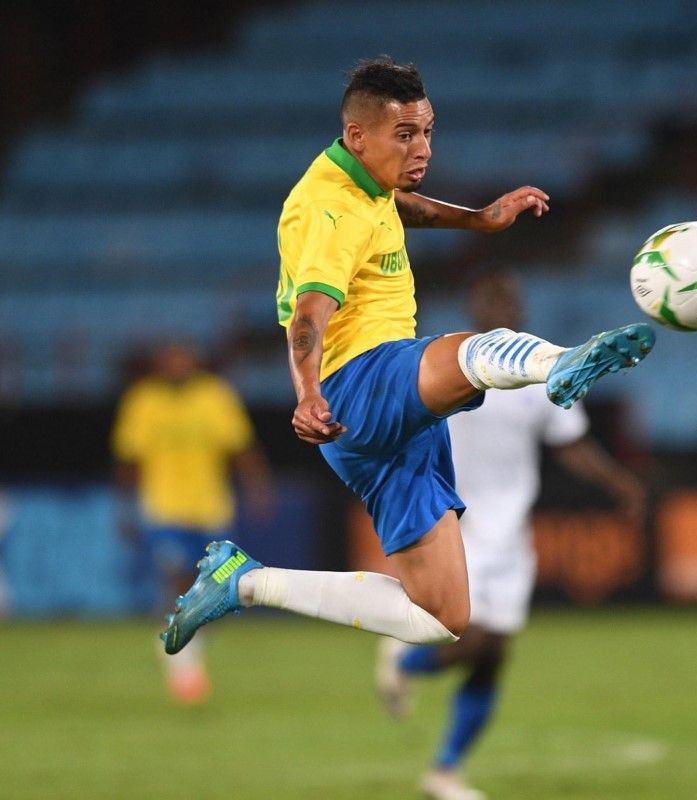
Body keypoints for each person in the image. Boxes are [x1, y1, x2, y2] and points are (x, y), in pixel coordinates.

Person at [160, 58, 654, 665]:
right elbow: (308, 315)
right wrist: (307, 392)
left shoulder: (366, 183)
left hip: (377, 424)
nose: (422, 149)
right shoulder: (329, 208)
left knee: (441, 615)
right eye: (406, 136)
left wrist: (478, 220)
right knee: (462, 353)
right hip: (358, 382)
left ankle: (244, 582)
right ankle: (557, 362)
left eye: (427, 132)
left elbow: (397, 206)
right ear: (357, 135)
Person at [373, 270, 647, 800]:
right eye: (489, 299)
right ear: (474, 308)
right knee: (473, 640)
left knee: (495, 655)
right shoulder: (445, 365)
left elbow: (570, 441)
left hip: (511, 530)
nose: (500, 308)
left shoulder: (542, 369)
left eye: (509, 301)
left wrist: (620, 484)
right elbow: (401, 424)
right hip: (459, 523)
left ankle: (444, 770)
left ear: (520, 311)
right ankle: (405, 661)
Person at [112, 342, 272, 703]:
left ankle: (185, 648)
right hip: (163, 510)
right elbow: (128, 458)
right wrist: (123, 509)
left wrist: (258, 489)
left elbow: (241, 448)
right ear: (159, 364)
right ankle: (180, 659)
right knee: (181, 578)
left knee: (218, 590)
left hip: (211, 508)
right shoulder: (143, 400)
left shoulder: (215, 396)